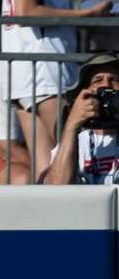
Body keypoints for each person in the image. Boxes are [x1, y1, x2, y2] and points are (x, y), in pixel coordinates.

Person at [1, 0, 110, 180]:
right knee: (67, 153)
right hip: (42, 67)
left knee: (47, 167)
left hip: (33, 66)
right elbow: (26, 11)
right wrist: (83, 14)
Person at [44, 53, 119, 184]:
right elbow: (56, 187)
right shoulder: (77, 141)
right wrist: (72, 124)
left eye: (113, 80)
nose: (106, 85)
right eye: (98, 80)